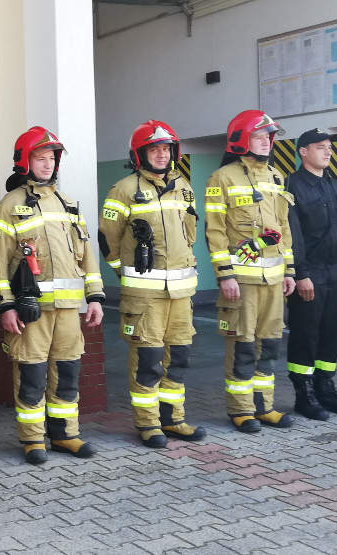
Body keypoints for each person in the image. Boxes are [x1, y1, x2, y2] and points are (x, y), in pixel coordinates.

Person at [0, 126, 104, 464]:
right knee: (32, 374)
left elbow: (86, 255)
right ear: (25, 161)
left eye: (51, 158)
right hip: (30, 310)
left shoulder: (67, 204)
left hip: (69, 309)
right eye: (40, 158)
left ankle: (66, 434)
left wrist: (95, 297)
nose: (47, 164)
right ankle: (32, 439)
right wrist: (6, 306)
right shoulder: (8, 206)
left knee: (67, 372)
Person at [98, 120, 206, 448]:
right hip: (144, 296)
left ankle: (174, 419)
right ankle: (148, 424)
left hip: (181, 292)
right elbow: (108, 241)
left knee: (179, 357)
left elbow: (188, 236)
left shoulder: (183, 186)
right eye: (154, 149)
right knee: (148, 361)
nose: (161, 155)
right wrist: (126, 275)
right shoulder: (123, 189)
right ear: (140, 153)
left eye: (166, 149)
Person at [204, 110, 296, 433]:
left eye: (269, 137)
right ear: (242, 139)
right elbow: (214, 231)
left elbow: (283, 227)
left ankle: (264, 406)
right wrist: (224, 274)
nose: (266, 142)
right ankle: (241, 410)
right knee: (242, 345)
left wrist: (290, 270)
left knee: (269, 345)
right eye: (259, 136)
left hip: (273, 278)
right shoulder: (222, 178)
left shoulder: (276, 177)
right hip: (241, 280)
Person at [285, 128, 337, 419]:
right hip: (310, 273)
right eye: (320, 147)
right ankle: (304, 395)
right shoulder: (292, 186)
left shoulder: (332, 184)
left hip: (333, 272)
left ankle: (326, 388)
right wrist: (301, 274)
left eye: (328, 147)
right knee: (306, 334)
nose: (327, 152)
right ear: (303, 151)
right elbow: (293, 236)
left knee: (331, 333)